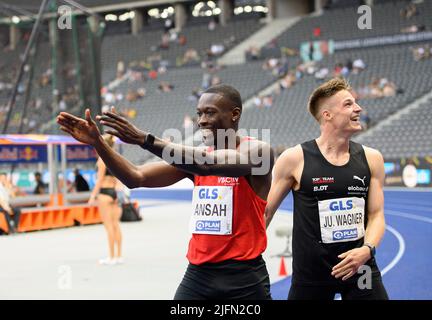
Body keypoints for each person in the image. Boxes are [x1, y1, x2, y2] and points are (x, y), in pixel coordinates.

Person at [57, 84, 274, 300]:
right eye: (199, 113)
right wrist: (98, 143)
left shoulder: (258, 151)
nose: (202, 121)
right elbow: (135, 176)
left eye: (210, 112)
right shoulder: (193, 161)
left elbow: (209, 165)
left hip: (244, 278)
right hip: (199, 275)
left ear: (234, 114)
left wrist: (145, 140)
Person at [265, 78, 388, 300]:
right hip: (311, 275)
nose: (358, 108)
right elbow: (266, 212)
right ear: (327, 115)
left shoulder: (372, 158)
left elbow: (376, 215)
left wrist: (367, 249)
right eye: (348, 104)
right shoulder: (295, 159)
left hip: (360, 268)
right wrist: (243, 258)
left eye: (356, 103)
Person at [88, 134, 123, 265]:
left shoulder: (102, 160)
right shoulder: (116, 158)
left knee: (108, 226)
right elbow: (120, 178)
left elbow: (99, 180)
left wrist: (92, 196)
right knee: (116, 225)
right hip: (114, 192)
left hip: (104, 192)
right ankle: (119, 256)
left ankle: (111, 257)